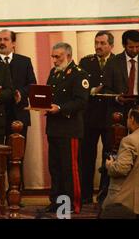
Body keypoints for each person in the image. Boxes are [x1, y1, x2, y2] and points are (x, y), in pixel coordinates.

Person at [45, 42, 89, 214]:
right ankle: (56, 201)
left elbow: (81, 101)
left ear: (69, 56)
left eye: (58, 57)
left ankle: (71, 203)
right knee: (55, 167)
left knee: (69, 168)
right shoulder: (54, 73)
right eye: (53, 57)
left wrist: (60, 109)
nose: (54, 61)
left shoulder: (79, 75)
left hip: (69, 128)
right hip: (54, 127)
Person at [78, 31, 115, 205]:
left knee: (108, 156)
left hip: (110, 118)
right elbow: (80, 87)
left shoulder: (118, 62)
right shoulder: (86, 62)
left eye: (102, 43)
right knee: (86, 157)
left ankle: (104, 195)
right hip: (89, 118)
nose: (98, 46)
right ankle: (85, 195)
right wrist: (93, 90)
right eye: (96, 43)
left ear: (111, 46)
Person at [101, 105, 139, 219]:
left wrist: (109, 165)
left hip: (127, 201)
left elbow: (121, 169)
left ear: (132, 119)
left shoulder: (130, 140)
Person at [0, 29, 37, 140]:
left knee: (18, 152)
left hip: (19, 113)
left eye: (6, 39)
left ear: (14, 43)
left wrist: (21, 93)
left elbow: (32, 84)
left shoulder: (24, 61)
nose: (2, 42)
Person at [103, 30, 139, 124]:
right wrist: (117, 98)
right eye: (131, 47)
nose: (135, 50)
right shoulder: (113, 62)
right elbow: (106, 88)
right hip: (119, 112)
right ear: (124, 45)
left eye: (138, 46)